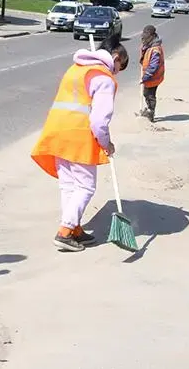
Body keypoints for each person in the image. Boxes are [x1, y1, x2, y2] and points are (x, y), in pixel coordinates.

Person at [30, 34, 129, 252]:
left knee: (68, 185)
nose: (116, 72)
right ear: (115, 57)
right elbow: (99, 121)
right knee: (85, 186)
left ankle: (74, 228)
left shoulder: (76, 68)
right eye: (119, 67)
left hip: (57, 132)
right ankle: (65, 232)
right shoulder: (103, 78)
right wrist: (107, 144)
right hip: (78, 136)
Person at [137, 25, 165, 122]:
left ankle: (151, 113)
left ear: (152, 36)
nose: (143, 37)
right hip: (149, 76)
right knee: (146, 93)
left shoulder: (155, 49)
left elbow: (153, 65)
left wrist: (145, 77)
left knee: (151, 95)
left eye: (146, 35)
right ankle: (149, 109)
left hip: (154, 76)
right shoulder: (149, 45)